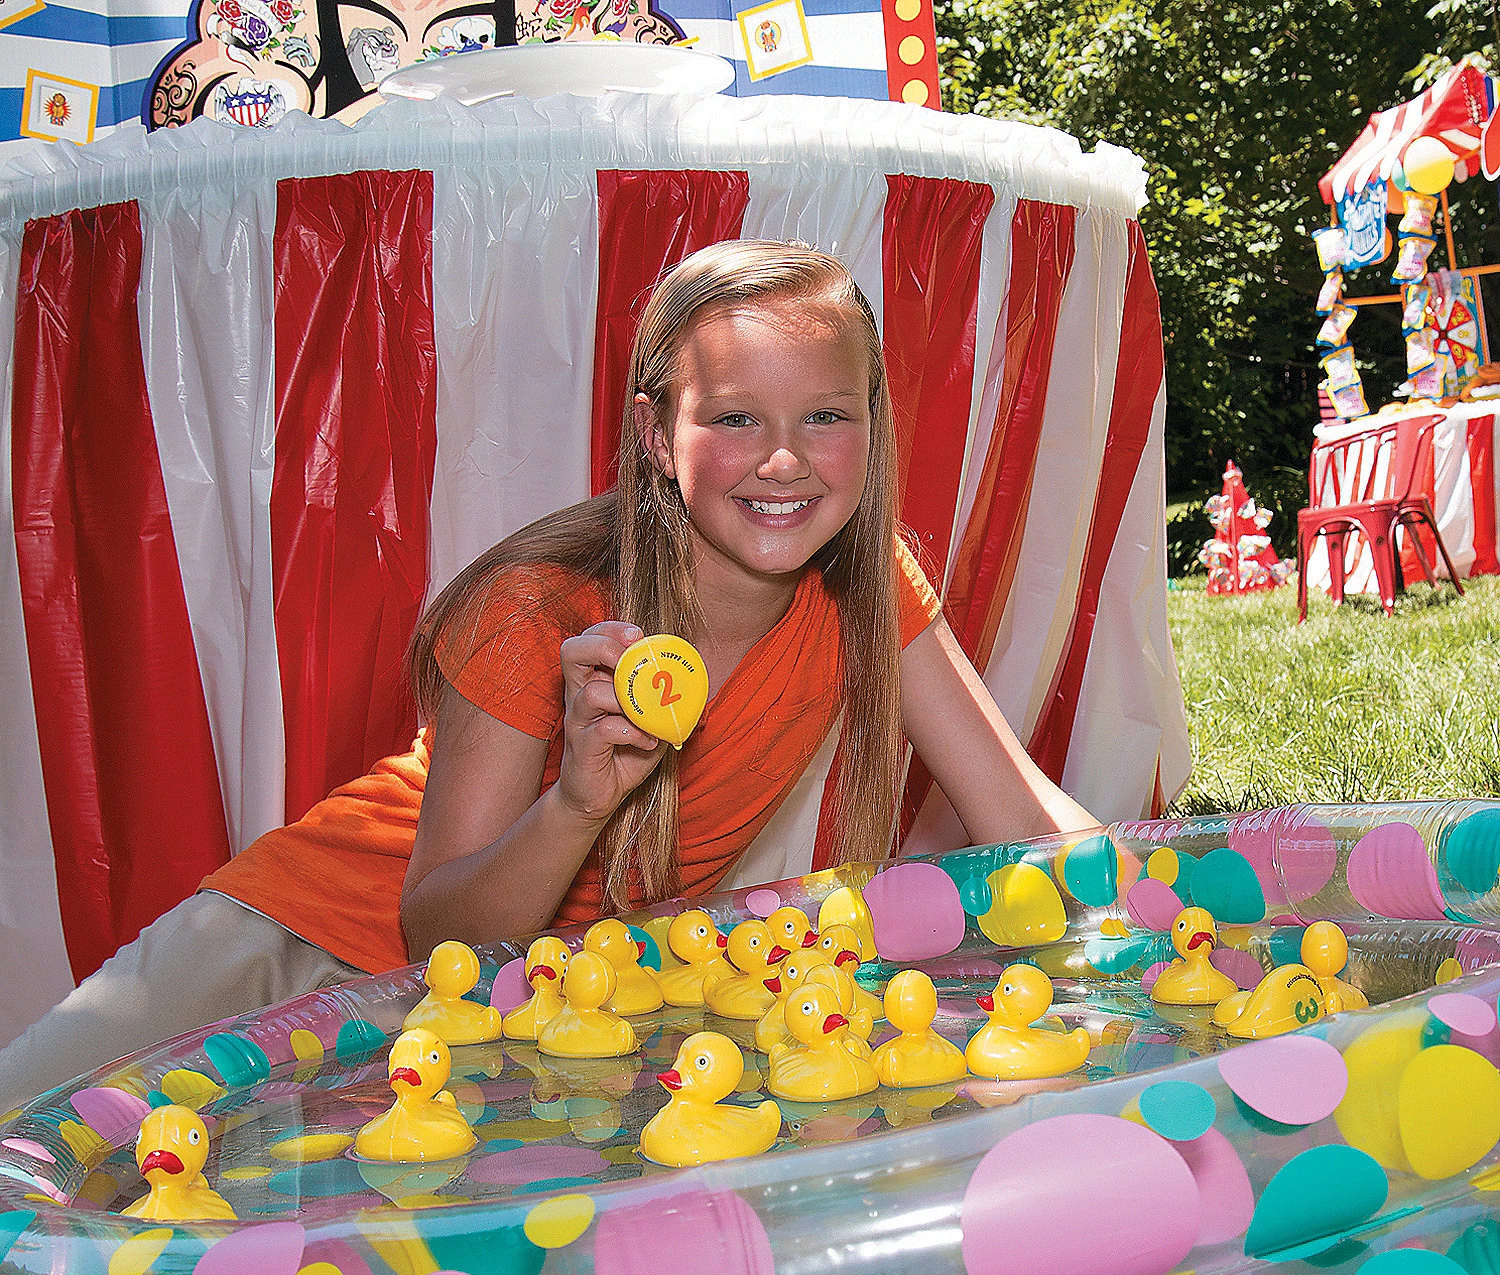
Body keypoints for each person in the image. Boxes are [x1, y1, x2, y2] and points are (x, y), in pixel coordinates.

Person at [0, 240, 1094, 1105]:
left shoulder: (870, 586)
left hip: (514, 1016)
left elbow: (1024, 819)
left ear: (873, 424)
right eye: (733, 418)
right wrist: (577, 801)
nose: (783, 459)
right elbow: (439, 934)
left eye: (826, 417)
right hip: (295, 950)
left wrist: (1166, 886)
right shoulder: (540, 605)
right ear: (656, 435)